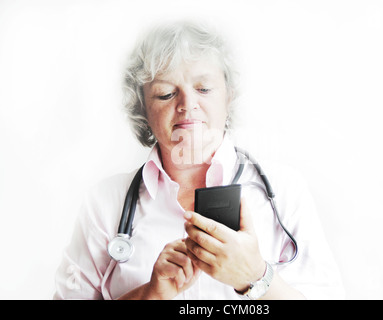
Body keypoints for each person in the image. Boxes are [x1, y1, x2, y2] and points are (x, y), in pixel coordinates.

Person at [53, 20, 344, 300]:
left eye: (203, 89)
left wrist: (256, 275)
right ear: (142, 108)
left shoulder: (285, 191)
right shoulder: (104, 203)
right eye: (166, 94)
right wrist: (151, 295)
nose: (187, 105)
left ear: (229, 96)